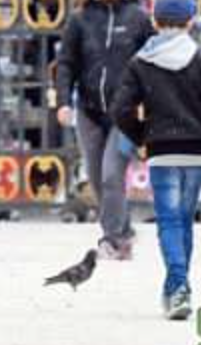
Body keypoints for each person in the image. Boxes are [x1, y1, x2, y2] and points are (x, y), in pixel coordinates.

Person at [112, 0, 201, 320]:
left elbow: (120, 109)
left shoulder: (140, 63)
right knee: (183, 221)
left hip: (162, 147)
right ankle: (177, 289)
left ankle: (178, 288)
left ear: (155, 21)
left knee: (168, 221)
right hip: (195, 150)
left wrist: (142, 136)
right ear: (190, 22)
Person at [55, 0, 152, 260]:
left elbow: (152, 65)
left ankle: (112, 239)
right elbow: (65, 64)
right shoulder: (79, 19)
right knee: (97, 178)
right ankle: (125, 231)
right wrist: (63, 102)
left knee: (112, 175)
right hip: (88, 111)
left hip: (125, 113)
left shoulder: (139, 18)